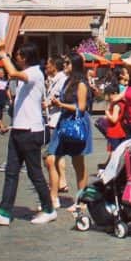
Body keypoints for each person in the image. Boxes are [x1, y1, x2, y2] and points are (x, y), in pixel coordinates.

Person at [0, 44, 56, 226]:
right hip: (18, 129)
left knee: (34, 173)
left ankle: (49, 209)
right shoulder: (28, 74)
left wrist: (1, 54)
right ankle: (4, 212)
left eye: (19, 55)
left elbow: (13, 73)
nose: (16, 57)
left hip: (30, 131)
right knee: (11, 172)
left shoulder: (36, 73)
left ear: (26, 57)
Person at [49, 54, 92, 213]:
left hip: (76, 125)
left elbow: (81, 108)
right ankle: (52, 197)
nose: (64, 65)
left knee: (78, 164)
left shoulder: (81, 84)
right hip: (64, 122)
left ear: (74, 65)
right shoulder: (67, 81)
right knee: (51, 157)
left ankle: (82, 200)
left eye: (67, 63)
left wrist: (61, 104)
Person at [43, 56, 69, 207]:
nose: (46, 66)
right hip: (53, 119)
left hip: (57, 120)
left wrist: (49, 102)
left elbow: (61, 98)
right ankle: (61, 182)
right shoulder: (55, 79)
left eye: (48, 64)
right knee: (58, 155)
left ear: (54, 66)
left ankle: (53, 193)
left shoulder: (62, 80)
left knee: (50, 157)